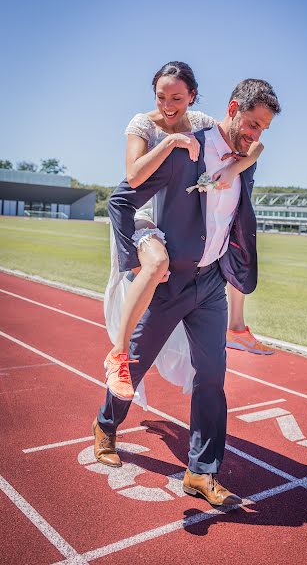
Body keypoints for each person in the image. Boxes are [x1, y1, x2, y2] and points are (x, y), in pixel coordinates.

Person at [94, 77, 281, 506]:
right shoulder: (186, 149)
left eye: (263, 130)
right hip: (170, 281)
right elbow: (121, 201)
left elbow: (242, 189)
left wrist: (242, 159)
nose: (255, 135)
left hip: (212, 283)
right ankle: (106, 424)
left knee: (212, 376)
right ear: (232, 108)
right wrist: (134, 262)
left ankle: (201, 471)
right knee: (135, 362)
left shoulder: (247, 156)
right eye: (252, 123)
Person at [104, 62, 272, 407]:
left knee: (229, 250)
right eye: (161, 96)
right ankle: (118, 355)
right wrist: (171, 143)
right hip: (144, 214)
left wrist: (232, 167)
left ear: (192, 97)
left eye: (177, 98)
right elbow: (133, 178)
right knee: (156, 264)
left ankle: (237, 326)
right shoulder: (143, 124)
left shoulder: (203, 123)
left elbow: (251, 146)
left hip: (179, 223)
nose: (168, 104)